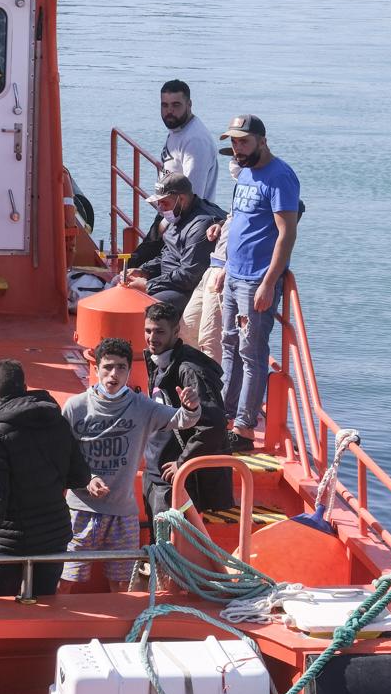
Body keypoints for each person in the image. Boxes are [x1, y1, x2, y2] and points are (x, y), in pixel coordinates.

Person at [0, 360, 108, 597]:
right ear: (24, 386)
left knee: (2, 609)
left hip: (12, 544)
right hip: (53, 537)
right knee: (44, 605)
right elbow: (79, 476)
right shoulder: (57, 421)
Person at [61, 338, 200, 591]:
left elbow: (184, 420)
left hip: (122, 513)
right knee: (65, 579)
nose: (113, 374)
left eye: (121, 368)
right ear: (96, 368)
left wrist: (191, 406)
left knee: (122, 583)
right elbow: (62, 455)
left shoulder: (143, 406)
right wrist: (86, 480)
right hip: (79, 511)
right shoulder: (75, 406)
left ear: (129, 371)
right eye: (108, 367)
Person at [218, 115, 300, 453]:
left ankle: (244, 428)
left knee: (251, 353)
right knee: (228, 344)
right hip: (234, 274)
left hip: (256, 280)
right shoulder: (245, 171)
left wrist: (269, 282)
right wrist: (224, 263)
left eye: (244, 141)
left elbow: (286, 233)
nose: (237, 148)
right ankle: (223, 414)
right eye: (234, 142)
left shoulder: (279, 177)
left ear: (262, 141)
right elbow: (240, 220)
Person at [141, 303, 233, 519]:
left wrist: (182, 463)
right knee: (157, 543)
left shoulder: (189, 370)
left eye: (160, 332)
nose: (152, 338)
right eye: (148, 330)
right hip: (155, 469)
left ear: (175, 331)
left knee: (169, 545)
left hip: (173, 476)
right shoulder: (160, 360)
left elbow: (214, 424)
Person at [122, 171, 226, 309]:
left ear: (181, 199)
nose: (161, 208)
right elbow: (167, 254)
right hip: (172, 280)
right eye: (158, 203)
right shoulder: (178, 213)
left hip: (187, 289)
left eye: (164, 202)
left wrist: (149, 285)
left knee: (142, 306)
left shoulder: (201, 225)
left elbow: (189, 276)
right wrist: (144, 271)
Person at [181, 157, 243, 360]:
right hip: (213, 265)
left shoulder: (261, 188)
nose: (235, 162)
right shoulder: (242, 189)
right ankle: (193, 383)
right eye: (233, 156)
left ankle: (212, 390)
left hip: (223, 271)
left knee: (210, 341)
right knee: (186, 329)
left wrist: (229, 268)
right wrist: (222, 224)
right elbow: (237, 220)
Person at [159, 79, 217, 202]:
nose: (169, 111)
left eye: (176, 105)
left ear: (189, 105)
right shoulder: (177, 128)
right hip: (170, 211)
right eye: (165, 105)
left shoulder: (195, 141)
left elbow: (192, 196)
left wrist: (165, 221)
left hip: (187, 218)